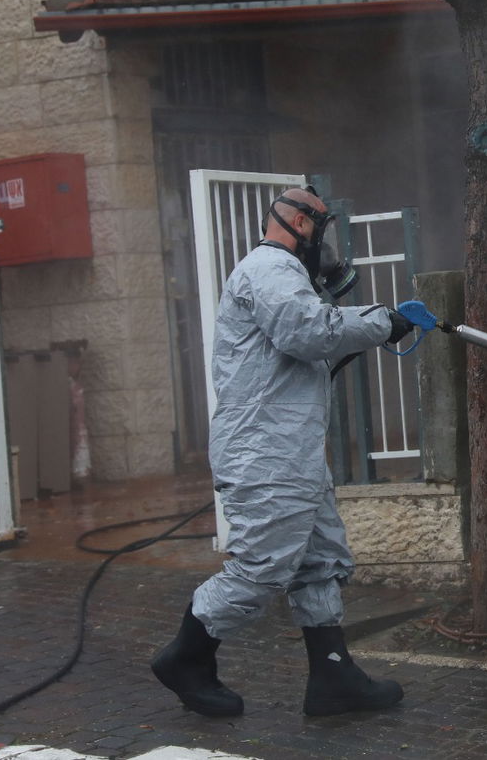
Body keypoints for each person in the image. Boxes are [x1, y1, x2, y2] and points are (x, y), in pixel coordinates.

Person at [150, 186, 413, 718]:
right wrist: (382, 321)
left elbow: (305, 341)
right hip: (265, 451)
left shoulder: (282, 274)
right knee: (263, 565)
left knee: (320, 561)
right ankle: (186, 657)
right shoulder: (270, 268)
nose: (327, 246)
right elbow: (309, 332)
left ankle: (334, 677)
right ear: (300, 222)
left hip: (290, 449)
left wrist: (370, 322)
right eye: (323, 229)